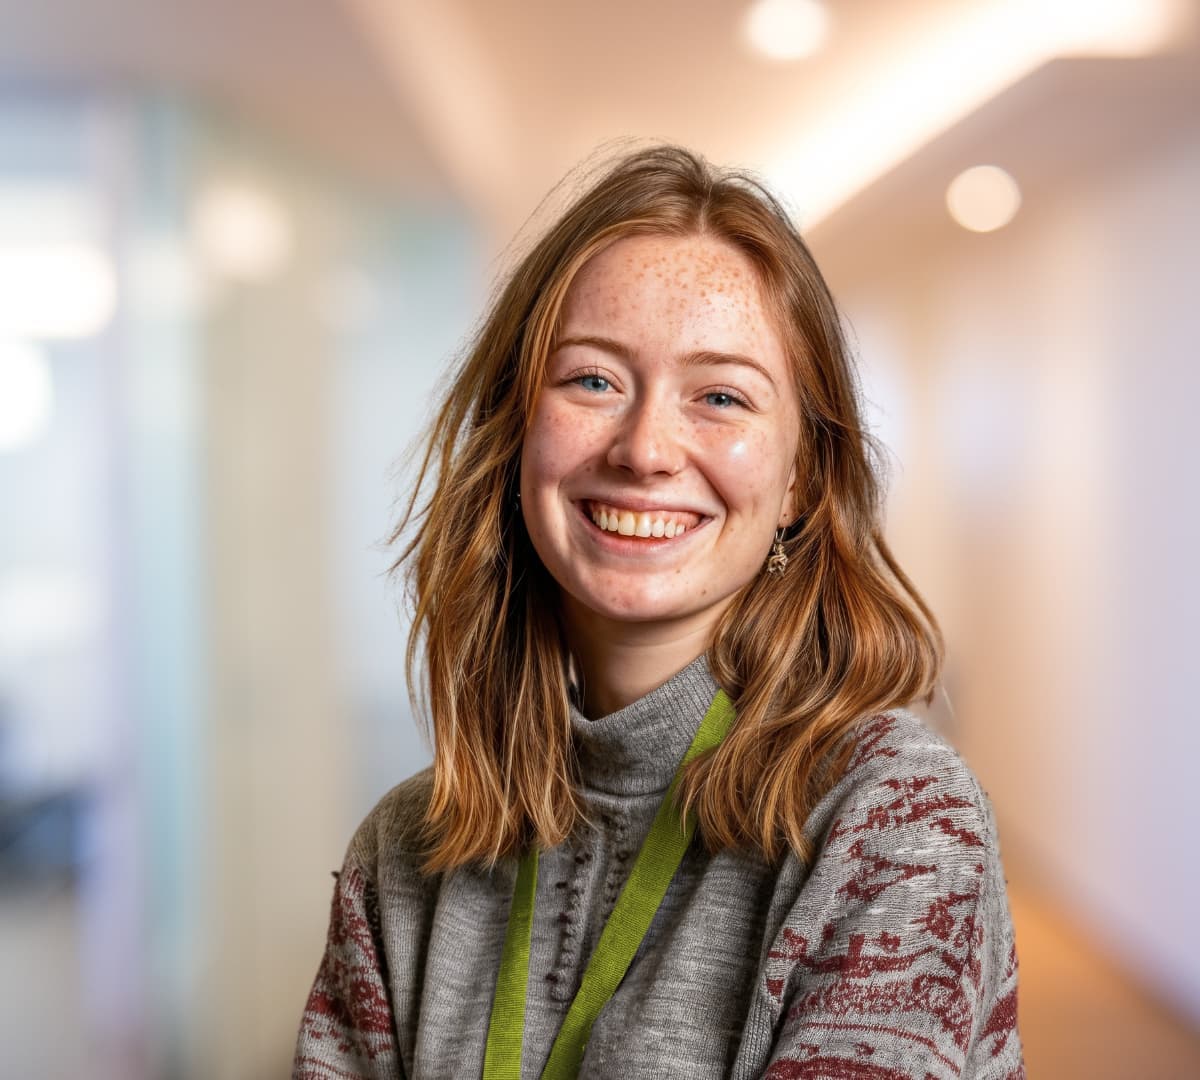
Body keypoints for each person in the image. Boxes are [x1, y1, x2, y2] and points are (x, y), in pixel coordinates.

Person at [292, 144, 1025, 1080]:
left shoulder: (896, 821)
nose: (645, 448)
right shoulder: (401, 857)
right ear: (517, 433)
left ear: (801, 476)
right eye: (592, 379)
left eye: (721, 396)